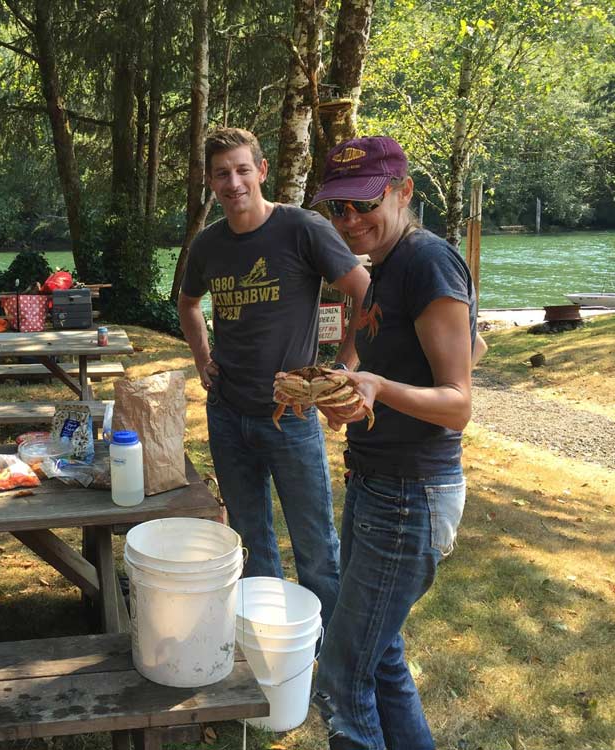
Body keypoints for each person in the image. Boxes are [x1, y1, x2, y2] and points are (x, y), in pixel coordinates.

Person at [305, 135, 484, 749]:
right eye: (339, 209)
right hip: (375, 483)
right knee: (378, 658)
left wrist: (379, 385)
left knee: (340, 677)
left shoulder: (426, 260)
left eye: (364, 203)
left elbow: (457, 403)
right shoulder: (383, 270)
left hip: (411, 496)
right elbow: (471, 349)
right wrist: (350, 398)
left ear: (404, 192)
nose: (351, 220)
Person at [177, 127, 370, 627]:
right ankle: (269, 640)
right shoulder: (208, 245)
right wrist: (203, 358)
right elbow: (188, 302)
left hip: (293, 416)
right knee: (251, 540)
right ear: (210, 182)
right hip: (227, 413)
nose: (233, 182)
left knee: (315, 546)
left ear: (262, 171)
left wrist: (345, 367)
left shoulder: (301, 229)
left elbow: (364, 291)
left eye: (243, 169)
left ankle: (329, 652)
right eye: (222, 173)